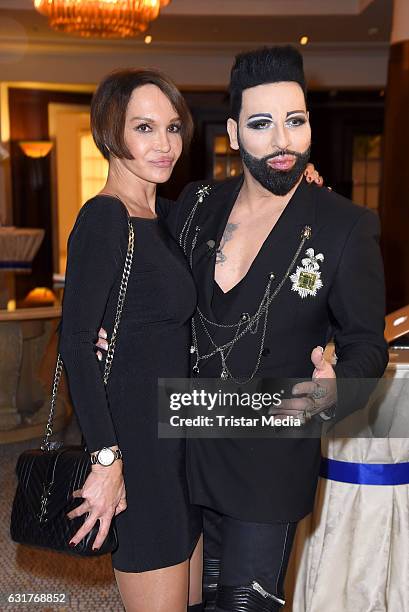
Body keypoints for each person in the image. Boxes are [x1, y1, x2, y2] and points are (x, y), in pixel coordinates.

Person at [155, 46, 388, 611]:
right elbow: (155, 290)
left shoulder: (344, 226)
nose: (283, 140)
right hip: (183, 444)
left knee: (243, 604)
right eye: (262, 124)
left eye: (296, 120)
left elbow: (366, 345)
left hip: (269, 455)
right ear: (234, 134)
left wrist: (334, 390)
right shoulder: (196, 204)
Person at [58, 69, 204, 612]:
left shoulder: (162, 217)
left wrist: (297, 182)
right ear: (110, 134)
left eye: (172, 128)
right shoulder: (104, 218)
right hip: (137, 452)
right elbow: (75, 343)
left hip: (180, 447)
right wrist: (106, 459)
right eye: (145, 128)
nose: (164, 144)